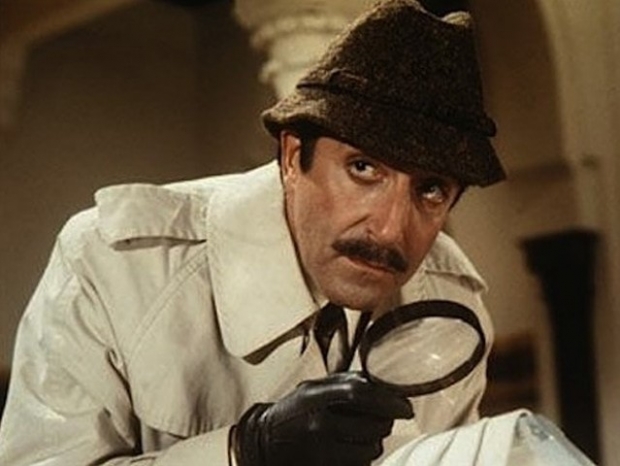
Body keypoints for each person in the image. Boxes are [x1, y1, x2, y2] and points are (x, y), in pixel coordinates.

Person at [0, 0, 506, 465]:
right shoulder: (113, 263)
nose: (391, 229)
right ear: (292, 157)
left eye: (431, 189)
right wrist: (245, 450)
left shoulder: (451, 299)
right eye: (363, 168)